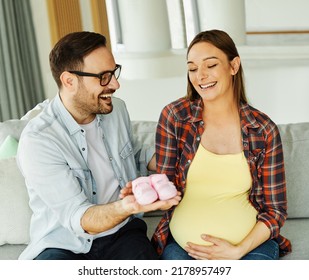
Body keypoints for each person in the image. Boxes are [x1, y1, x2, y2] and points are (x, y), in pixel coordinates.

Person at [17, 31, 180, 260]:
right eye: (103, 76)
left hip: (122, 233)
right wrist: (128, 206)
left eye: (113, 72)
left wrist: (175, 157)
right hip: (64, 244)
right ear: (69, 81)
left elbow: (132, 155)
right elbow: (80, 219)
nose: (115, 84)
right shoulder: (39, 140)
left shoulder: (117, 110)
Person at [151, 29, 292, 260]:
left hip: (249, 247)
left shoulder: (263, 129)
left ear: (233, 66)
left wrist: (237, 251)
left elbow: (275, 211)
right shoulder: (175, 117)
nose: (200, 76)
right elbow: (165, 188)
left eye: (211, 65)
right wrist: (147, 193)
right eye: (193, 68)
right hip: (185, 248)